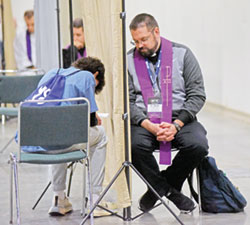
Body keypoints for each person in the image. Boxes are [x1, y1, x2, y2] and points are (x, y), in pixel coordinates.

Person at [128, 13, 209, 213]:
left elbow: (197, 95)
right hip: (145, 122)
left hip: (179, 119)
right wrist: (147, 124)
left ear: (156, 32)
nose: (140, 45)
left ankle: (159, 186)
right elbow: (126, 102)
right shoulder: (128, 60)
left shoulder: (183, 54)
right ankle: (171, 192)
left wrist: (177, 124)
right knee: (132, 145)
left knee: (198, 145)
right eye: (135, 41)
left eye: (144, 39)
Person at [34, 57, 107, 216]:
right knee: (101, 135)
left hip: (39, 141)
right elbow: (89, 119)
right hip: (65, 140)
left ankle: (59, 199)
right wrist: (95, 119)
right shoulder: (86, 77)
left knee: (56, 136)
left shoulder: (51, 73)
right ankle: (95, 201)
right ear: (95, 75)